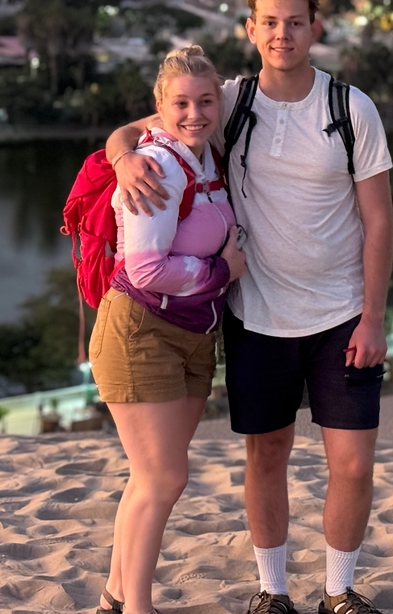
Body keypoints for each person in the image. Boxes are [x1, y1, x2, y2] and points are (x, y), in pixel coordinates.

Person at [106, 0, 393, 614]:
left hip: (341, 316)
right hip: (257, 314)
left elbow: (379, 219)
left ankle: (338, 591)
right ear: (251, 29)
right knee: (267, 455)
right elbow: (140, 130)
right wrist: (122, 157)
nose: (283, 34)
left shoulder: (351, 109)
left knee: (351, 465)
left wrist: (373, 316)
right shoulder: (228, 100)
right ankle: (272, 593)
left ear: (315, 29)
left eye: (296, 22)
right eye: (270, 22)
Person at [92, 46, 246, 614]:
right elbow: (145, 268)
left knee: (151, 478)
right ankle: (139, 607)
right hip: (140, 331)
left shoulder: (207, 154)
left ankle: (115, 595)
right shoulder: (154, 166)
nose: (195, 113)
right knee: (164, 478)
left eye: (206, 101)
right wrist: (223, 271)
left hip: (192, 335)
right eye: (180, 104)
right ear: (159, 107)